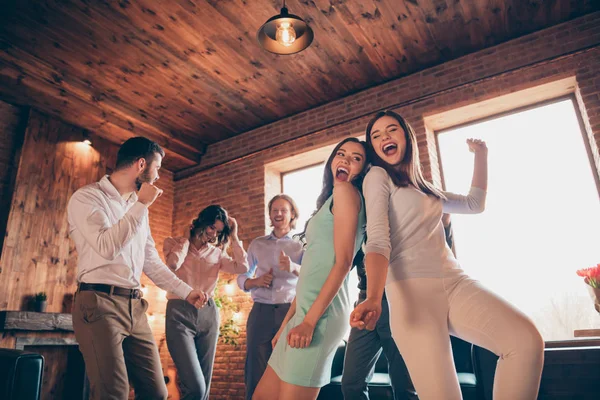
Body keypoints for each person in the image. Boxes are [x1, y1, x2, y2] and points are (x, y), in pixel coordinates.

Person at [351, 110, 544, 400]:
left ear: (406, 137)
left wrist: (481, 154)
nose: (384, 138)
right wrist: (375, 298)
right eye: (376, 136)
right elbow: (377, 241)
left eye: (392, 130)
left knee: (525, 341)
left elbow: (474, 203)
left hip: (455, 282)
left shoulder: (426, 189)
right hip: (411, 295)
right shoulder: (377, 177)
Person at [67, 137, 206, 400]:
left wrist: (187, 291)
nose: (158, 177)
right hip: (98, 303)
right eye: (158, 169)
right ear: (142, 165)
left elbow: (150, 261)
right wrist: (142, 205)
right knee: (114, 393)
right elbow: (106, 246)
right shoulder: (87, 198)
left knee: (157, 392)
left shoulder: (137, 207)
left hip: (135, 307)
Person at [253, 137, 368, 400]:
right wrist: (287, 323)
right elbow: (310, 273)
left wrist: (308, 322)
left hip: (320, 316)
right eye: (341, 154)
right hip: (302, 312)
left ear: (363, 170)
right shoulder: (329, 200)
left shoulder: (347, 193)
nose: (346, 160)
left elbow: (343, 263)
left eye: (356, 158)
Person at [163, 205, 249, 400]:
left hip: (208, 314)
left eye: (218, 231)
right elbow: (172, 264)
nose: (213, 234)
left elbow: (243, 267)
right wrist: (186, 238)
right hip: (179, 313)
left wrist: (234, 237)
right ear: (201, 222)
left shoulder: (216, 254)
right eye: (211, 227)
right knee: (196, 387)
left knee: (204, 385)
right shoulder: (173, 243)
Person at [237, 194, 304, 400]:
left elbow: (311, 276)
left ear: (292, 214)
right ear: (269, 215)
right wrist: (256, 281)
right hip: (261, 312)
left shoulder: (299, 245)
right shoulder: (257, 244)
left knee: (289, 366)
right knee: (255, 367)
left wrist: (292, 267)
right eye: (274, 210)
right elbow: (243, 276)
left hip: (289, 312)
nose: (278, 214)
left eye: (283, 210)